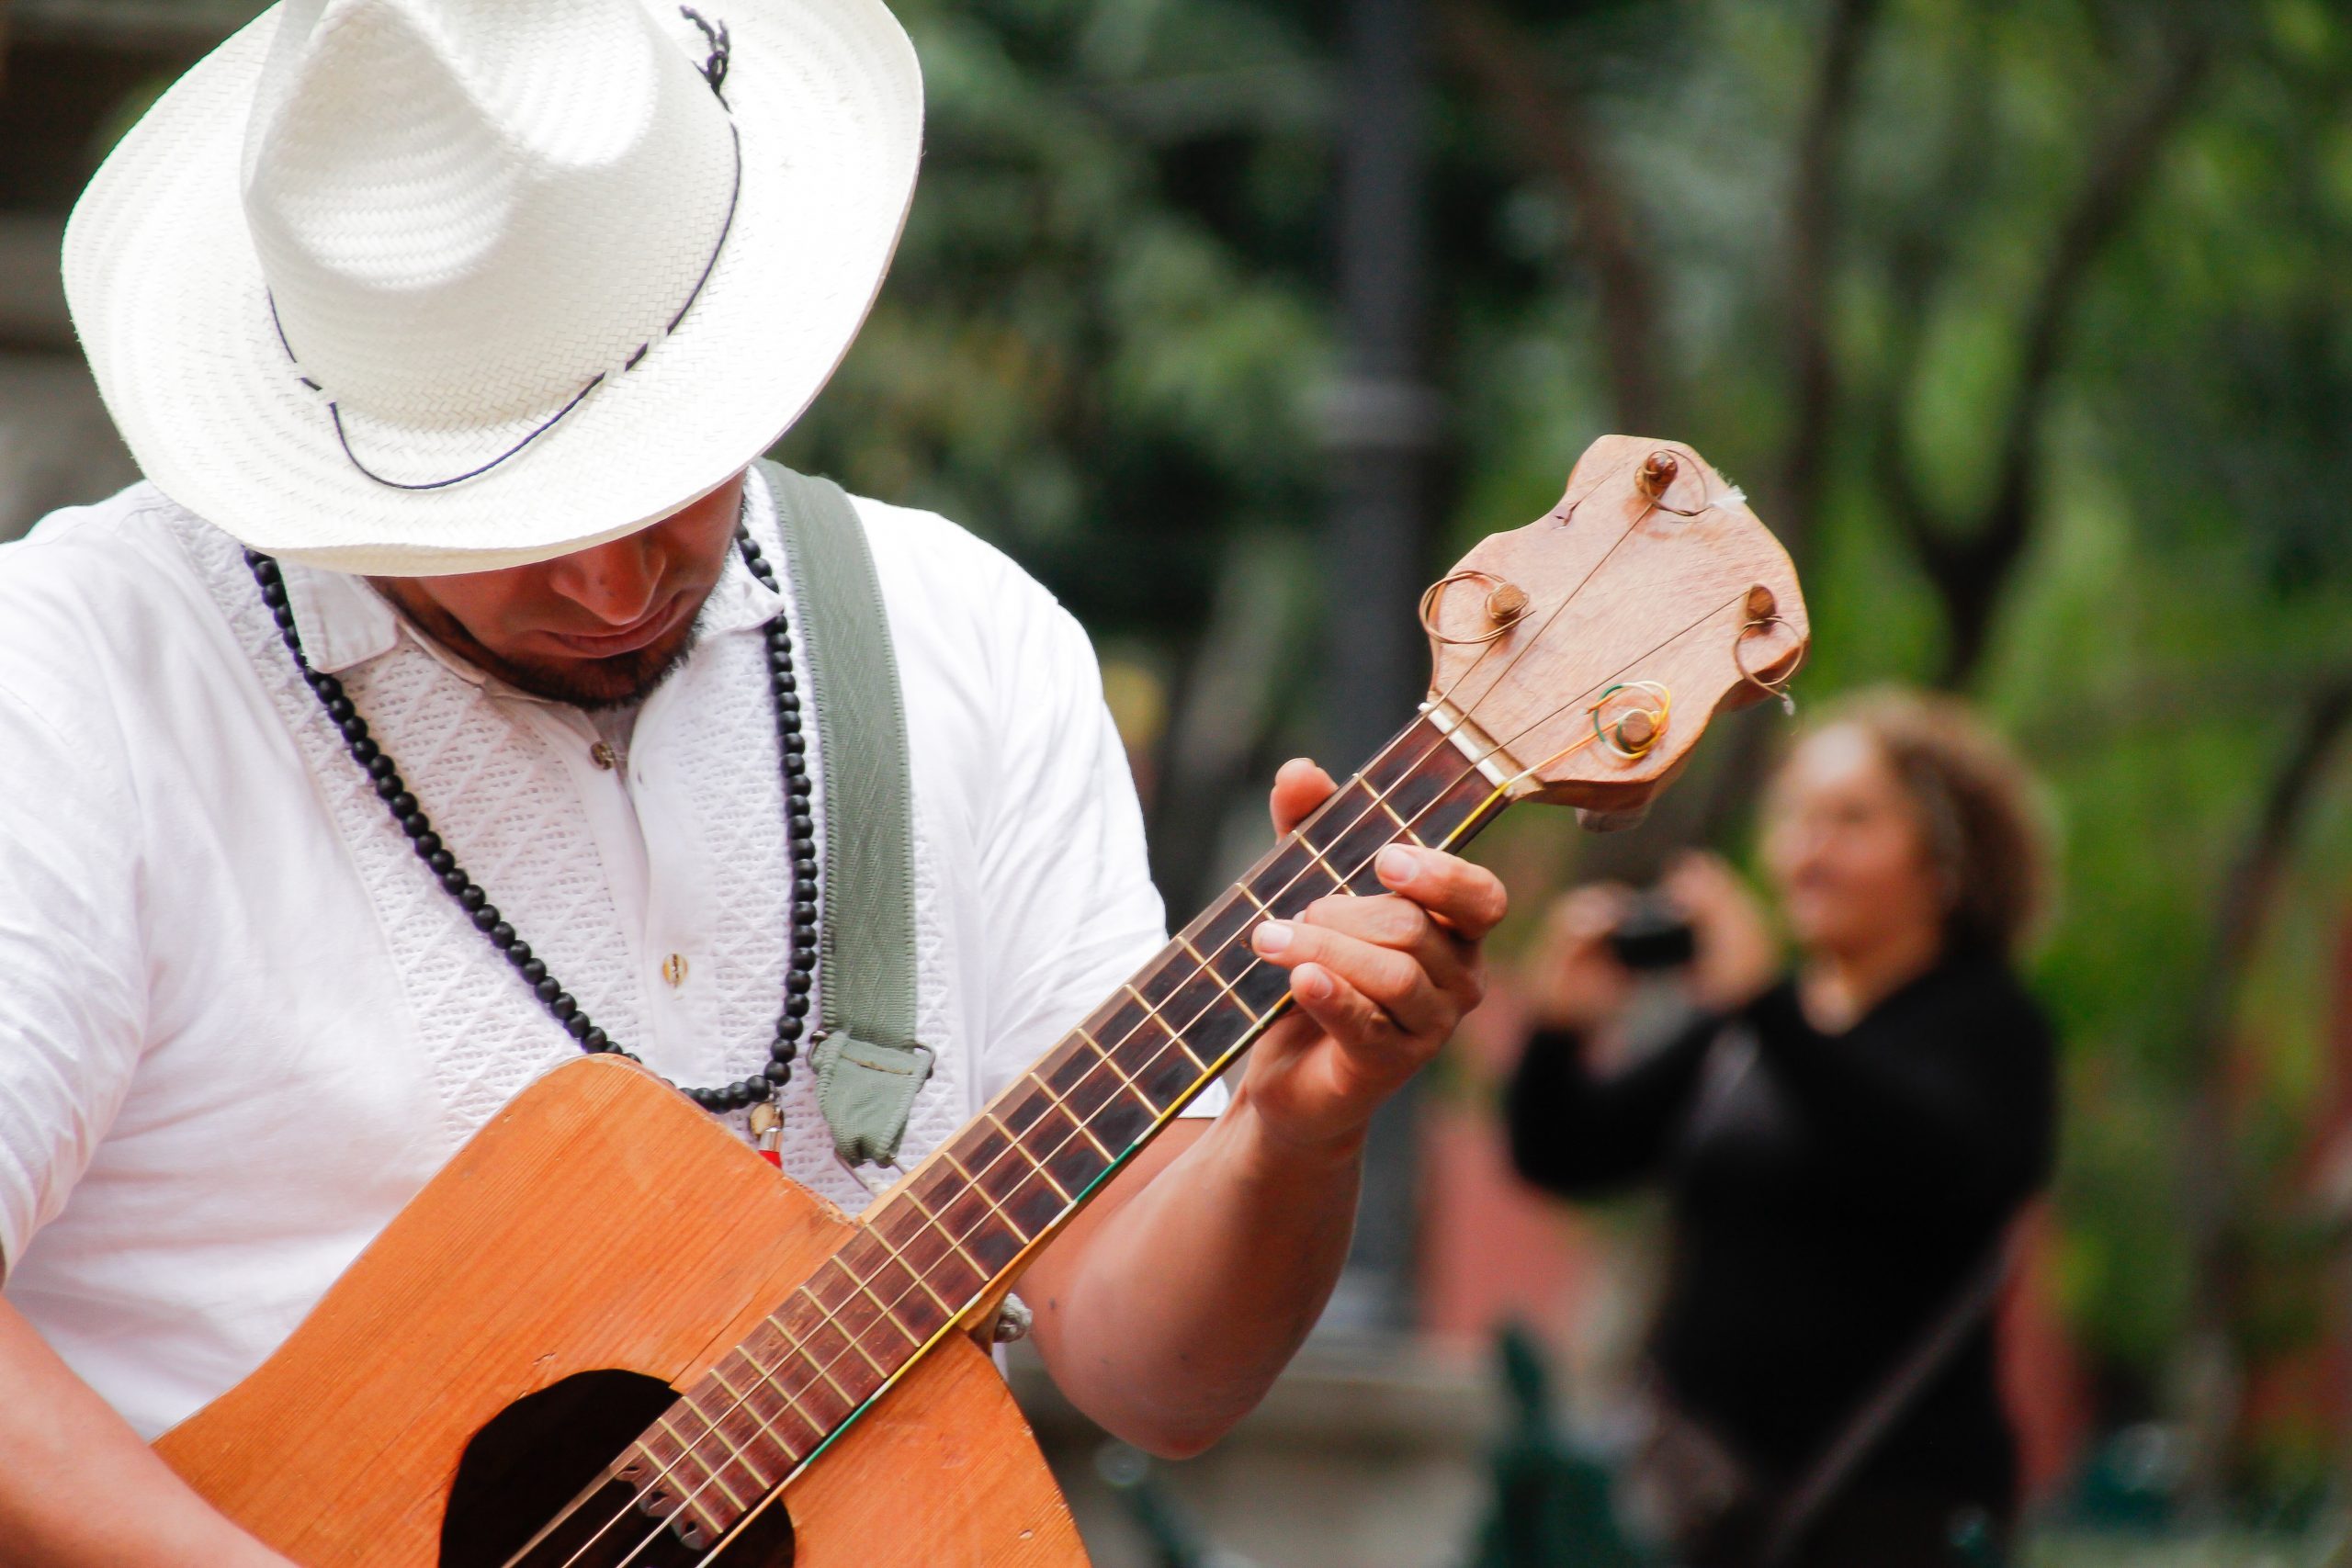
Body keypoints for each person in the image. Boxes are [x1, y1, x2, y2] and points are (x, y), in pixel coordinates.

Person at [0, 1, 1508, 1561]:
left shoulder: (967, 649)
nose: (611, 578)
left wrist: (1295, 1138)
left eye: (662, 468)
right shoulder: (78, 679)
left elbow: (1156, 1380)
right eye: (504, 513)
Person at [1507, 690, 2057, 1568]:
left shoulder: (1988, 1025)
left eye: (1850, 820)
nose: (1806, 850)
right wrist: (1555, 1030)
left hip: (1892, 1513)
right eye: (1795, 815)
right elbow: (1565, 1154)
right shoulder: (1755, 1028)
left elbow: (1928, 1168)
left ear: (1945, 864)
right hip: (1707, 1507)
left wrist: (1763, 1004)